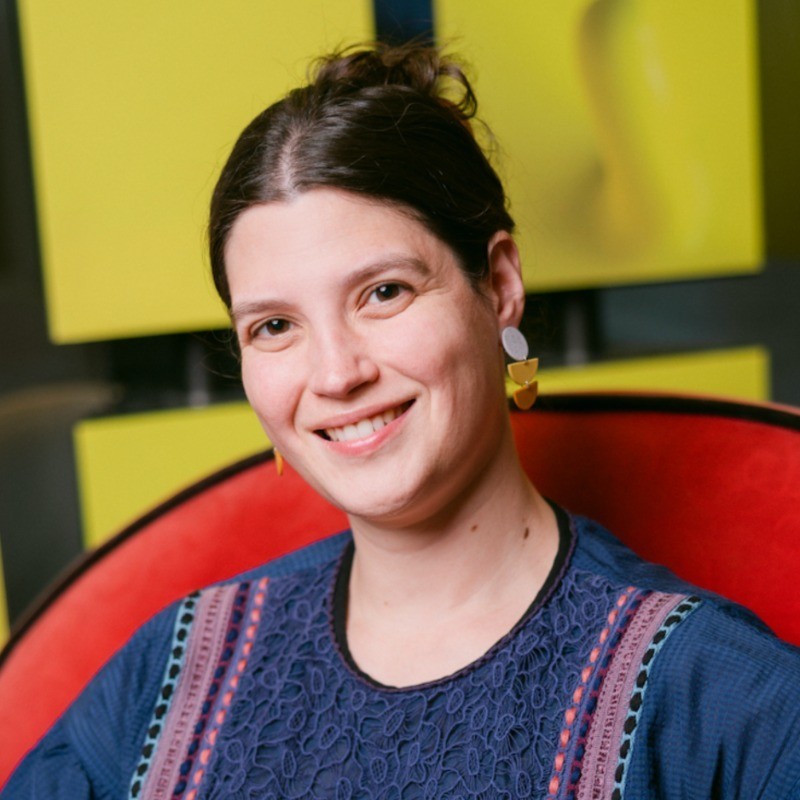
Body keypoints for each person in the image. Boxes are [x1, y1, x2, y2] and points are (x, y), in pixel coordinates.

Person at [5, 42, 800, 800]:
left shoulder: (718, 697)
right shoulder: (175, 671)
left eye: (384, 292)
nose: (336, 374)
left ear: (499, 285)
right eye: (274, 326)